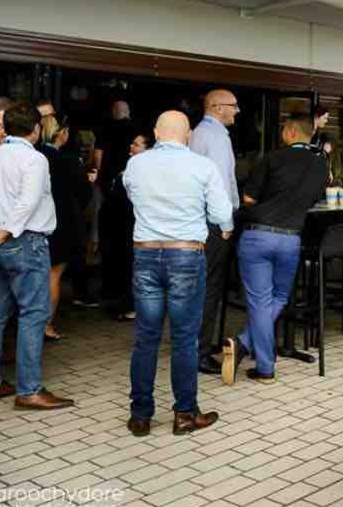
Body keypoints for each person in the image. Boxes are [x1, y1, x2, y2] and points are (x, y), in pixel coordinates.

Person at [123, 110, 233, 437]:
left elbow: (133, 197)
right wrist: (225, 229)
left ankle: (141, 415)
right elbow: (221, 212)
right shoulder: (203, 166)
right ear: (187, 137)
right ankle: (185, 414)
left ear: (156, 132)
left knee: (146, 338)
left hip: (145, 252)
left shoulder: (136, 164)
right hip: (186, 254)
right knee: (185, 338)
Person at [0, 103, 74, 410]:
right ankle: (29, 390)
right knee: (33, 314)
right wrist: (2, 234)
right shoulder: (35, 159)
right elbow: (26, 204)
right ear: (35, 129)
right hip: (24, 242)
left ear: (6, 129)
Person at [222, 114, 326, 384]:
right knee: (280, 297)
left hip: (258, 237)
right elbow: (316, 197)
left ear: (291, 132)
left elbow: (248, 198)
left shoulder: (272, 158)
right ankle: (244, 345)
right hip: (291, 239)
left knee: (259, 301)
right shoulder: (320, 165)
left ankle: (262, 364)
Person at [189, 88, 240, 374]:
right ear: (217, 107)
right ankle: (200, 351)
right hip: (214, 221)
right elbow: (220, 183)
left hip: (201, 219)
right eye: (233, 106)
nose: (236, 110)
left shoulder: (200, 133)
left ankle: (196, 346)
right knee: (209, 287)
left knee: (201, 285)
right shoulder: (216, 137)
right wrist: (226, 224)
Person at [40, 115, 92, 341]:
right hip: (60, 225)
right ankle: (46, 325)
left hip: (33, 224)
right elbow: (84, 195)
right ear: (62, 133)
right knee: (53, 275)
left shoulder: (34, 156)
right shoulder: (69, 161)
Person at [103, 130, 153, 321]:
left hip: (133, 224)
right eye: (132, 143)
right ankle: (126, 301)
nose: (132, 147)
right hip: (119, 224)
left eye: (137, 144)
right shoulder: (129, 167)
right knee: (123, 263)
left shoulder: (145, 171)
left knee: (133, 264)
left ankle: (134, 305)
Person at [92, 100, 137, 310]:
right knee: (126, 239)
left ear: (113, 112)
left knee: (108, 236)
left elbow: (98, 155)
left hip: (110, 188)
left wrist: (100, 177)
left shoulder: (105, 128)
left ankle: (110, 287)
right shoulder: (136, 130)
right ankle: (123, 289)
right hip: (131, 192)